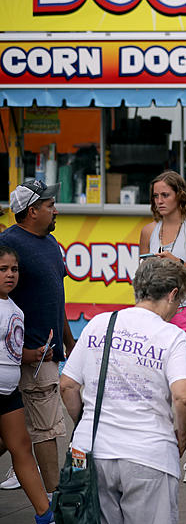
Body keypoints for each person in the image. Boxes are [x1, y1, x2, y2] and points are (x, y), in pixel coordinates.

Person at [59, 257, 186, 524]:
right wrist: (181, 436)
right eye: (179, 302)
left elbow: (68, 384)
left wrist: (84, 422)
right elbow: (185, 397)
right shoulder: (172, 336)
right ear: (172, 294)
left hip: (92, 452)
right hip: (148, 454)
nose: (177, 310)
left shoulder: (100, 324)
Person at [139, 170, 186, 483]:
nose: (159, 201)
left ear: (179, 195)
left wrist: (178, 264)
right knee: (161, 387)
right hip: (160, 314)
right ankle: (165, 446)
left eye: (165, 195)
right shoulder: (148, 231)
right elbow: (142, 277)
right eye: (155, 196)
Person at [0, 179, 75, 494]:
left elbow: (56, 298)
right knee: (46, 429)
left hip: (47, 353)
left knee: (13, 433)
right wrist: (21, 351)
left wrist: (69, 342)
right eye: (49, 205)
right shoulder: (9, 244)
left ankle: (26, 472)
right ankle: (55, 498)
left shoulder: (49, 242)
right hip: (28, 355)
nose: (55, 210)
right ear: (32, 211)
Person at [0, 246, 56, 524]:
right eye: (2, 269)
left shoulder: (13, 308)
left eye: (14, 269)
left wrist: (34, 354)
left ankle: (45, 515)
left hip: (9, 393)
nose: (10, 275)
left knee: (21, 448)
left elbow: (10, 349)